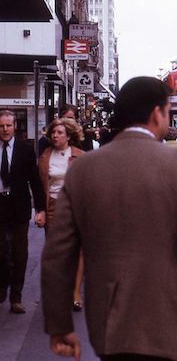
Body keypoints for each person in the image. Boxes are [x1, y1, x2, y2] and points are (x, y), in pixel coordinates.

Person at [41, 76, 177, 360]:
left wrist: (59, 325)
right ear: (156, 114)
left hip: (108, 322)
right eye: (168, 112)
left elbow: (57, 254)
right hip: (166, 317)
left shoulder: (83, 168)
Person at [0, 110, 45, 314]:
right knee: (1, 252)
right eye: (1, 126)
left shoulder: (25, 149)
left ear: (15, 126)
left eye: (8, 125)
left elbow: (34, 181)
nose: (5, 129)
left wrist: (41, 209)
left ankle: (15, 297)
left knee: (19, 253)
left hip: (19, 207)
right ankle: (1, 288)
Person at [38, 117, 86, 312]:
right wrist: (40, 210)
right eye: (53, 133)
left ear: (68, 136)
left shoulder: (80, 156)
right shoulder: (45, 157)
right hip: (52, 206)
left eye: (59, 133)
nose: (55, 135)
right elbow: (39, 185)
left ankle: (75, 292)